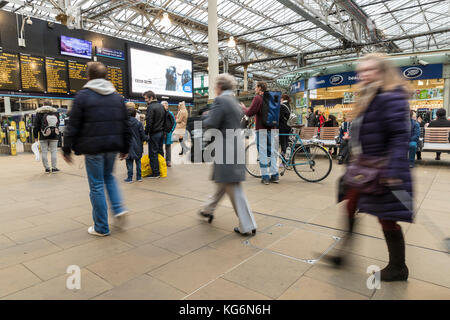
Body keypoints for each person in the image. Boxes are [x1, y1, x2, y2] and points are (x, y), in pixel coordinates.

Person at [328, 53, 413, 282]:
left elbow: (399, 135)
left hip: (383, 170)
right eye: (361, 70)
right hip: (364, 168)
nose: (364, 74)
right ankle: (342, 253)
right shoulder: (369, 95)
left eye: (370, 70)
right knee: (350, 204)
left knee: (386, 217)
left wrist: (393, 170)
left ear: (383, 71)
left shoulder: (391, 95)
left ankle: (398, 267)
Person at [63, 62, 130, 236]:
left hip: (92, 148)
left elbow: (73, 125)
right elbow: (125, 125)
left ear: (88, 77)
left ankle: (101, 227)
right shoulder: (117, 97)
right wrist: (125, 146)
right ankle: (119, 208)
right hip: (112, 147)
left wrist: (66, 148)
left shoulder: (82, 97)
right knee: (109, 177)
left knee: (97, 185)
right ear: (106, 76)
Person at [198, 74, 257, 236]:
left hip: (225, 148)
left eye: (215, 86)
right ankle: (208, 209)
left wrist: (205, 117)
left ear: (219, 86)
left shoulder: (220, 101)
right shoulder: (235, 102)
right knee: (223, 182)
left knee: (232, 185)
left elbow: (211, 123)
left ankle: (248, 225)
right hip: (235, 144)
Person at [242, 81, 279, 185]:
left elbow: (250, 112)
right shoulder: (272, 98)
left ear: (259, 88)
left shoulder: (258, 98)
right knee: (272, 152)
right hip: (272, 129)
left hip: (261, 129)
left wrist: (244, 108)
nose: (255, 89)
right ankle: (275, 175)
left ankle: (265, 177)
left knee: (262, 153)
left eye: (255, 87)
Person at [33, 101, 60, 173]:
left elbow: (36, 126)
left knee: (44, 152)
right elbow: (58, 124)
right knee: (54, 151)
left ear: (43, 105)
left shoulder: (39, 113)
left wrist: (36, 137)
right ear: (51, 105)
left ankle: (47, 168)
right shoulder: (56, 113)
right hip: (54, 135)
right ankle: (54, 168)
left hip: (43, 135)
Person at [144, 90, 165, 178]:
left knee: (153, 154)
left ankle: (155, 173)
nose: (145, 100)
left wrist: (145, 133)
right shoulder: (161, 106)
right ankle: (162, 170)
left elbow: (149, 122)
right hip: (161, 133)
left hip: (154, 133)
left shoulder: (150, 107)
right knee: (160, 152)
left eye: (146, 98)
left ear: (151, 98)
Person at [124, 107, 148, 183]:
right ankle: (139, 177)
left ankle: (130, 178)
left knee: (129, 162)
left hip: (127, 146)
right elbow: (143, 136)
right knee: (138, 162)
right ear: (135, 114)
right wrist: (149, 138)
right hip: (138, 146)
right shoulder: (139, 123)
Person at [161, 101, 176, 167]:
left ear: (167, 106)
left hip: (168, 133)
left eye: (165, 105)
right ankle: (161, 160)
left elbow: (174, 123)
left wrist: (171, 130)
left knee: (168, 147)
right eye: (162, 105)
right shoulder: (160, 113)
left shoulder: (170, 113)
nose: (164, 107)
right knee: (160, 147)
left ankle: (168, 161)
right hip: (161, 132)